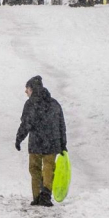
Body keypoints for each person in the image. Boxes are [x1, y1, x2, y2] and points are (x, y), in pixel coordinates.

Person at [15, 75, 67, 207]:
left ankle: (37, 196)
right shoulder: (54, 103)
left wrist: (19, 138)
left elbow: (26, 123)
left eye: (26, 88)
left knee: (35, 169)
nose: (25, 92)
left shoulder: (31, 103)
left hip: (36, 143)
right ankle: (46, 195)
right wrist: (63, 144)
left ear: (31, 88)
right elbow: (61, 125)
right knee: (49, 167)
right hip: (52, 142)